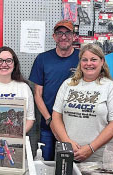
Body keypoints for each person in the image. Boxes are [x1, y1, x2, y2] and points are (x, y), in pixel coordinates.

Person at [50, 44, 113, 162]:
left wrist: (91, 148)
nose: (88, 63)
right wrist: (67, 142)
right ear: (80, 63)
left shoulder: (110, 87)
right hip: (68, 152)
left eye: (93, 59)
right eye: (84, 60)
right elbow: (56, 116)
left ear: (102, 62)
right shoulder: (68, 84)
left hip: (100, 156)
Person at [29, 20, 79, 161]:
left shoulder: (83, 59)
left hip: (74, 124)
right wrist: (49, 120)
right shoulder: (42, 59)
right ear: (54, 36)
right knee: (47, 162)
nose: (63, 37)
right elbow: (37, 94)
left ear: (74, 36)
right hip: (48, 126)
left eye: (67, 32)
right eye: (59, 33)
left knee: (71, 164)